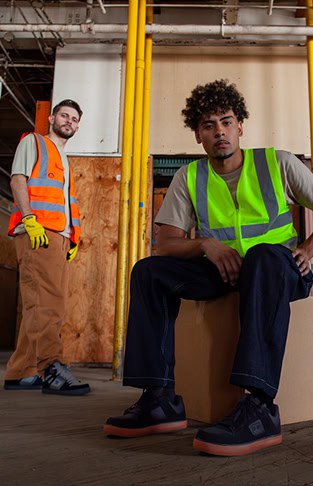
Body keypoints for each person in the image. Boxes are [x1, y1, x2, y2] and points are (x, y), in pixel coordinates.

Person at [104, 79, 313, 455]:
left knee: (265, 256)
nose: (220, 131)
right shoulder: (190, 177)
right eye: (209, 125)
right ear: (198, 134)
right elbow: (165, 243)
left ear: (241, 126)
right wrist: (205, 244)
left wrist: (311, 249)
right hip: (224, 273)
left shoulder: (278, 162)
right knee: (148, 271)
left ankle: (260, 405)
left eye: (227, 121)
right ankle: (159, 398)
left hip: (279, 272)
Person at [4, 99, 90, 396]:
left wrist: (72, 238)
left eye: (74, 118)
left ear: (77, 126)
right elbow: (18, 181)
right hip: (38, 232)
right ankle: (51, 366)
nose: (69, 121)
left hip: (58, 236)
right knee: (49, 302)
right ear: (52, 118)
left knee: (37, 304)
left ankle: (21, 371)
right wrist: (29, 219)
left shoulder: (63, 159)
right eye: (64, 115)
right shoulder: (34, 142)